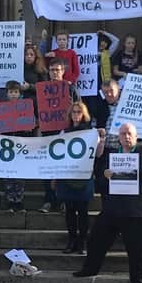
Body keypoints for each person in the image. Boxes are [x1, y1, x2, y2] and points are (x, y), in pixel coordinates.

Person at [74, 123, 142, 283]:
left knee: (138, 254)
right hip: (112, 209)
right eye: (123, 134)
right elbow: (100, 181)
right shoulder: (112, 155)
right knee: (96, 240)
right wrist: (105, 176)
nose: (126, 137)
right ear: (119, 137)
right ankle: (90, 269)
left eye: (129, 133)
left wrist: (135, 169)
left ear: (136, 136)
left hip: (137, 212)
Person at [39, 58, 80, 213]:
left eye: (57, 70)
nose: (54, 73)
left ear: (63, 71)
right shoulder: (42, 88)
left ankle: (63, 200)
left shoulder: (71, 89)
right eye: (52, 70)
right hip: (47, 134)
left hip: (66, 134)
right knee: (47, 169)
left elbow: (79, 109)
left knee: (63, 168)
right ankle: (49, 200)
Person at [56, 102, 98, 254]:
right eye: (73, 112)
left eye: (79, 112)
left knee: (82, 211)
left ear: (84, 114)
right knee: (69, 211)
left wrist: (102, 140)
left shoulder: (90, 132)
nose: (76, 114)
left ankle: (82, 243)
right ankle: (71, 240)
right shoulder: (64, 131)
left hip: (83, 175)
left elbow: (97, 154)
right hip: (67, 175)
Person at [2, 81, 30, 213]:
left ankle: (19, 201)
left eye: (16, 92)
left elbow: (30, 124)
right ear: (7, 94)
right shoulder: (0, 108)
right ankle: (9, 201)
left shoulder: (25, 108)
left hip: (20, 146)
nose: (13, 94)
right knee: (8, 175)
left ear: (20, 94)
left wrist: (28, 127)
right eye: (11, 92)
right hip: (6, 147)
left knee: (20, 175)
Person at [92, 80, 121, 151]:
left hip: (123, 150)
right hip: (104, 150)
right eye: (105, 92)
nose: (109, 94)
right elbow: (93, 129)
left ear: (118, 90)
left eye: (111, 90)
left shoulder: (126, 106)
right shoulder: (98, 107)